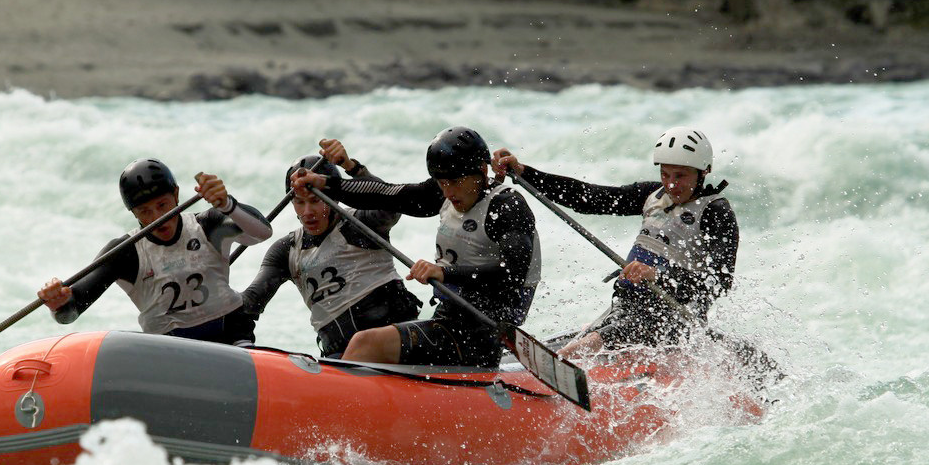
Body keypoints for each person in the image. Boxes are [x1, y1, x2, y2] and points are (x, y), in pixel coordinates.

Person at [291, 126, 541, 368]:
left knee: (365, 344)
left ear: (482, 170)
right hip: (451, 321)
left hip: (486, 330)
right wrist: (327, 184)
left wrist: (444, 273)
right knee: (365, 349)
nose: (448, 192)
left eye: (455, 182)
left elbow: (514, 274)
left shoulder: (506, 207)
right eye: (442, 182)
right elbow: (388, 194)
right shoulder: (446, 192)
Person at [491, 126, 738, 358]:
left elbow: (720, 281)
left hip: (672, 318)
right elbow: (588, 197)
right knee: (586, 337)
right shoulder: (653, 195)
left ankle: (568, 356)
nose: (671, 184)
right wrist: (524, 172)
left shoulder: (716, 212)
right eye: (665, 174)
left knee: (583, 346)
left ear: (703, 172)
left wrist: (657, 275)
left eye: (680, 176)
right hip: (627, 308)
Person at [38, 158, 273, 345]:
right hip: (169, 348)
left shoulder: (208, 225)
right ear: (133, 213)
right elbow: (69, 313)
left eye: (162, 205)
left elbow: (262, 233)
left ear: (176, 195)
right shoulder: (125, 253)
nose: (157, 218)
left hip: (231, 334)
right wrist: (59, 302)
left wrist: (227, 204)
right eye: (145, 211)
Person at [243, 139, 422, 357]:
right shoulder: (286, 251)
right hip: (340, 358)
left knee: (363, 345)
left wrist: (353, 168)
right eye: (299, 202)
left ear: (335, 197)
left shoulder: (362, 224)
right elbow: (249, 304)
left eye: (315, 200)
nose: (308, 212)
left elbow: (391, 203)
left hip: (398, 348)